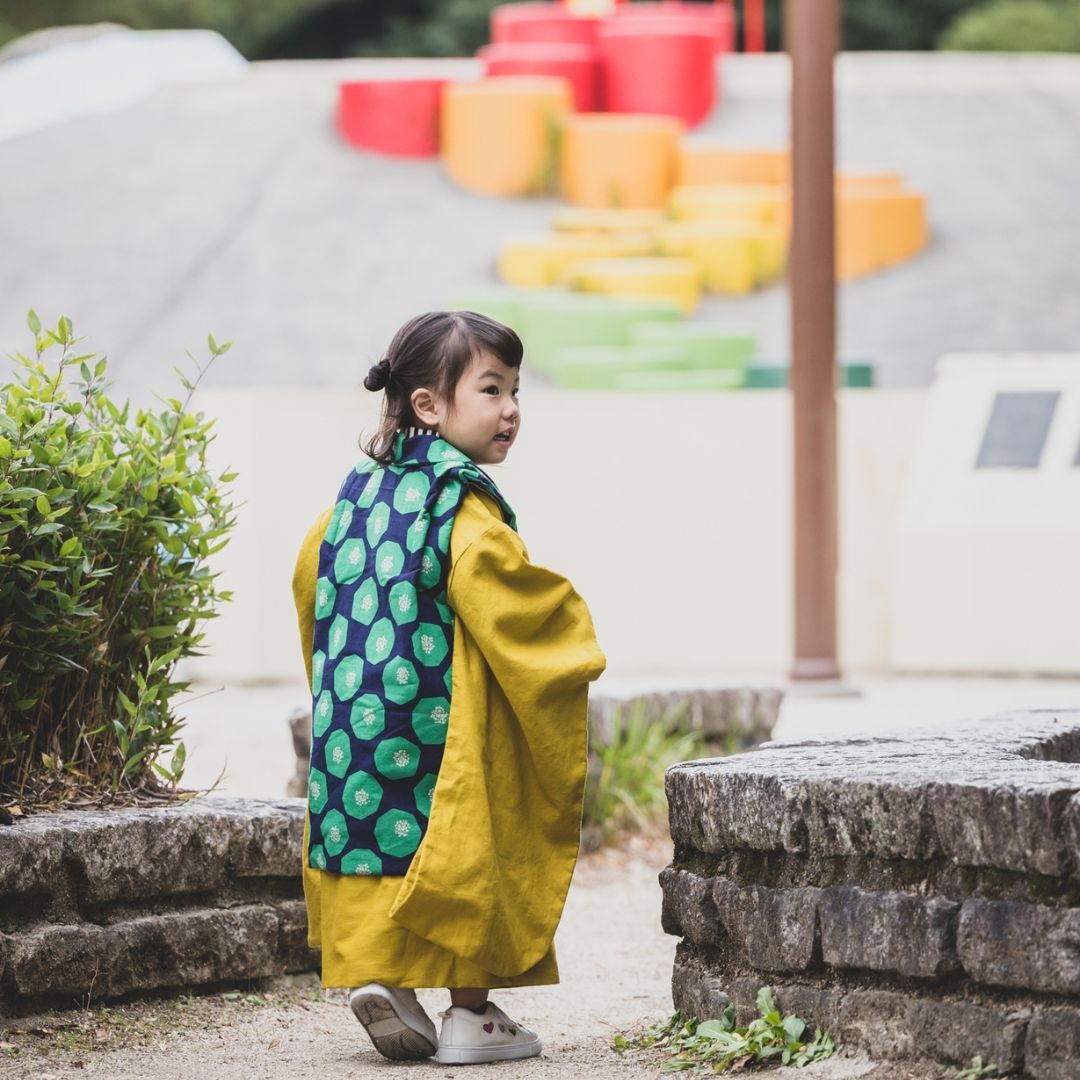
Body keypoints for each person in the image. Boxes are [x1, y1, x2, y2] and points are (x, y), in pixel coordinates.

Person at [291, 311, 606, 1065]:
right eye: (492, 390)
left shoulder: (353, 499)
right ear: (428, 405)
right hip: (443, 724)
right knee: (464, 846)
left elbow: (311, 579)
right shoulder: (460, 507)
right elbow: (505, 596)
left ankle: (386, 981)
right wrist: (570, 640)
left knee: (371, 841)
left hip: (361, 720)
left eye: (516, 391)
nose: (512, 409)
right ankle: (470, 1016)